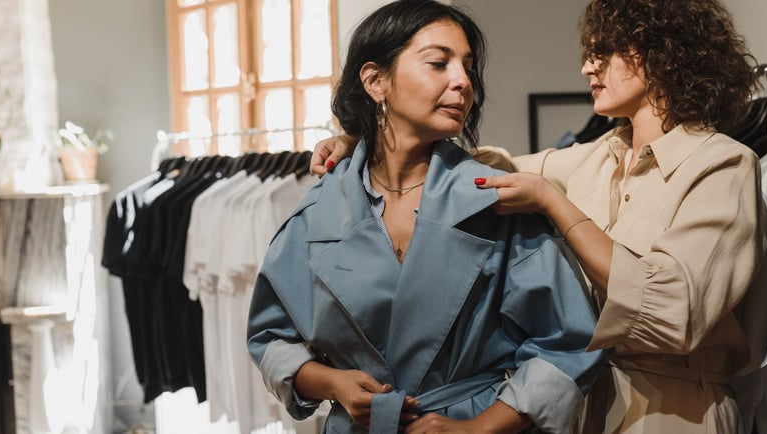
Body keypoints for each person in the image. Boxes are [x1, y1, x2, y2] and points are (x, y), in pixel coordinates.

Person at [310, 0, 767, 432]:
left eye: (605, 52)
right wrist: (366, 139)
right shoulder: (597, 158)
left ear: (663, 53)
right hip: (581, 405)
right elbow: (480, 169)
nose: (588, 66)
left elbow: (677, 311)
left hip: (675, 412)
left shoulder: (722, 165)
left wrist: (556, 204)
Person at [246, 1, 604, 433]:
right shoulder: (317, 214)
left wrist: (479, 429)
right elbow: (270, 337)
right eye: (439, 63)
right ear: (376, 80)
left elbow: (567, 341)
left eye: (468, 67)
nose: (462, 82)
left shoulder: (498, 202)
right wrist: (331, 383)